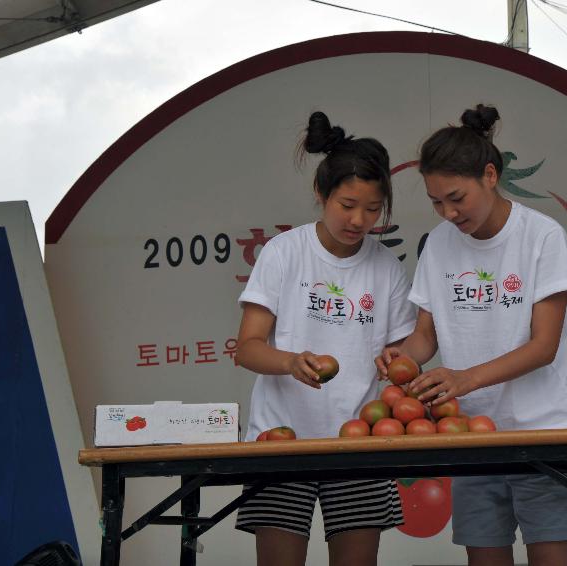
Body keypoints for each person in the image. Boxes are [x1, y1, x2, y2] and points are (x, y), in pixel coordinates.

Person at [376, 104, 567, 566]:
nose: (449, 212)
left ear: (491, 175)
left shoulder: (541, 236)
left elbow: (544, 345)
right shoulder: (438, 244)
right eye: (437, 202)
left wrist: (465, 379)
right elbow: (425, 337)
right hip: (472, 434)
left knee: (550, 557)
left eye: (457, 197)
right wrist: (402, 358)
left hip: (545, 432)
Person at [235, 111, 416, 566]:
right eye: (347, 204)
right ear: (321, 193)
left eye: (372, 209)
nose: (359, 219)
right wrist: (291, 362)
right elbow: (248, 347)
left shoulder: (386, 268)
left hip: (359, 439)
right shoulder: (284, 252)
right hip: (281, 437)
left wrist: (401, 363)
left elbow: (404, 353)